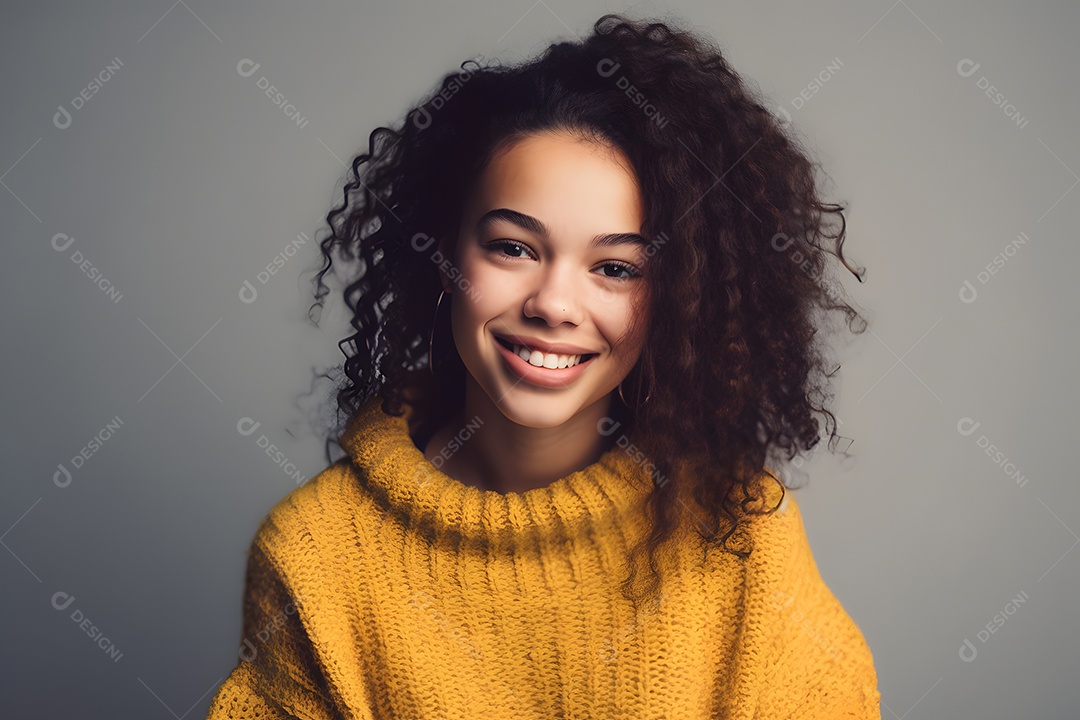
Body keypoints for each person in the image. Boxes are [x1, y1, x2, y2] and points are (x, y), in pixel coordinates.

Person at [206, 12, 880, 719]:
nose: (555, 303)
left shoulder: (738, 527)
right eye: (514, 248)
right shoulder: (316, 556)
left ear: (680, 299)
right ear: (442, 254)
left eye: (616, 267)